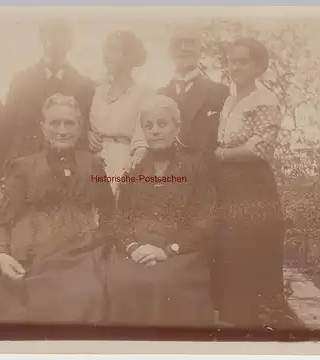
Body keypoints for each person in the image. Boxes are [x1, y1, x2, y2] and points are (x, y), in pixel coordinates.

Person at [0, 94, 115, 324]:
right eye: (55, 123)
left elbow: (110, 214)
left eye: (69, 123)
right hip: (32, 252)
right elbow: (1, 221)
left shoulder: (93, 165)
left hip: (80, 252)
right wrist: (1, 254)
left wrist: (102, 247)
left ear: (80, 127)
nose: (62, 130)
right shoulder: (23, 167)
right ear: (43, 128)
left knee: (85, 294)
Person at [105, 94, 217, 326]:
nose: (155, 130)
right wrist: (132, 247)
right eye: (148, 126)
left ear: (177, 127)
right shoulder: (134, 170)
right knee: (120, 282)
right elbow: (118, 219)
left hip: (180, 251)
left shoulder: (195, 167)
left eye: (162, 124)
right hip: (135, 249)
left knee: (162, 283)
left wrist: (168, 250)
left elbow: (205, 219)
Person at [212, 37, 297, 328]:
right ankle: (231, 317)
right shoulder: (229, 99)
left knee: (250, 244)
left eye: (242, 61)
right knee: (227, 245)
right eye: (232, 61)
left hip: (251, 182)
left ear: (259, 66)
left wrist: (220, 155)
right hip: (226, 183)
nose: (235, 66)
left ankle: (254, 320)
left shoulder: (265, 100)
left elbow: (261, 147)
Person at [4, 18, 95, 160]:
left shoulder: (84, 85)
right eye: (51, 35)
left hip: (69, 165)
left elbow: (86, 129)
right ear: (41, 39)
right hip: (26, 163)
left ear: (70, 43)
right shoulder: (21, 81)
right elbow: (7, 127)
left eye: (61, 36)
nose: (55, 42)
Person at [88, 30, 153, 194]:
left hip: (125, 162)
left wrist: (132, 168)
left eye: (112, 50)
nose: (106, 56)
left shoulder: (144, 94)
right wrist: (87, 134)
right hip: (94, 161)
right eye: (105, 51)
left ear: (129, 56)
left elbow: (143, 140)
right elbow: (83, 124)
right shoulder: (97, 91)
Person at [158, 25, 229, 158]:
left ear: (200, 51)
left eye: (190, 43)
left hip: (207, 173)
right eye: (178, 44)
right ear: (169, 52)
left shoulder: (221, 92)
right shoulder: (158, 96)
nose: (184, 48)